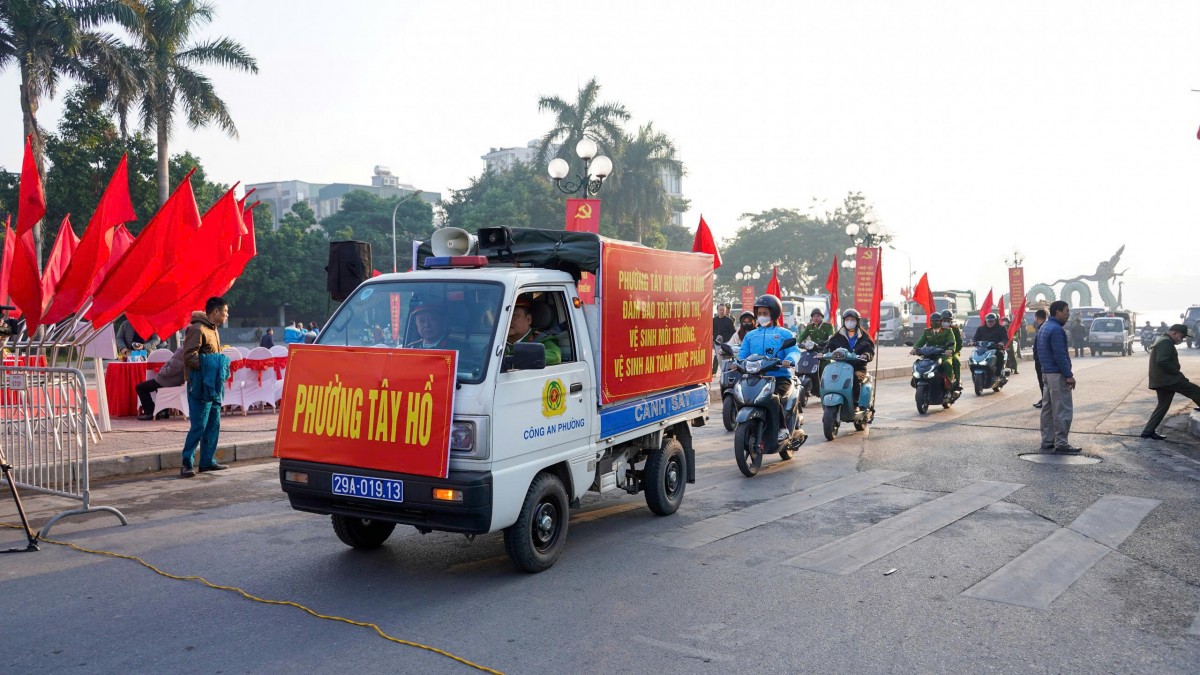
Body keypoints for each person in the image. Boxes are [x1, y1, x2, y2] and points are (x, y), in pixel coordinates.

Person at [737, 295, 801, 441]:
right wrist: (737, 362)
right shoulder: (750, 335)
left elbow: (794, 351)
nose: (762, 316)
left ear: (774, 313)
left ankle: (782, 428)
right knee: (742, 395)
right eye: (759, 313)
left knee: (774, 396)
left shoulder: (784, 333)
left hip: (779, 376)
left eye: (765, 313)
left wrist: (789, 360)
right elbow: (742, 354)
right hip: (756, 377)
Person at [180, 297, 231, 477]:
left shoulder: (213, 329)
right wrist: (211, 365)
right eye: (225, 312)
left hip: (213, 385)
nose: (227, 315)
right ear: (215, 312)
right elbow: (188, 356)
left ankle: (207, 461)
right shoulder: (197, 329)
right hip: (200, 385)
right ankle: (186, 463)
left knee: (213, 425)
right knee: (199, 426)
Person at [1140, 324, 1200, 440]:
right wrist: (1177, 373)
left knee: (1163, 405)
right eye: (1181, 336)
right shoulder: (1166, 342)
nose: (1182, 339)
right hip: (1169, 380)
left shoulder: (1163, 340)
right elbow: (1162, 361)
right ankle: (1148, 431)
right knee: (1196, 391)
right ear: (1174, 333)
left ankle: (1148, 431)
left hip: (1161, 380)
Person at [1036, 301, 1080, 453]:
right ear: (1058, 312)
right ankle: (1061, 443)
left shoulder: (1044, 327)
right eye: (1066, 311)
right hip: (1057, 374)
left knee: (1047, 409)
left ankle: (1047, 440)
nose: (1068, 314)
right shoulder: (1056, 330)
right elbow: (1060, 355)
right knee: (1062, 409)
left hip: (1046, 373)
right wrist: (1068, 375)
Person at [828, 308, 875, 409]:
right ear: (844, 321)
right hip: (839, 367)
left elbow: (870, 351)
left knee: (854, 378)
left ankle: (855, 403)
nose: (849, 322)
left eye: (852, 320)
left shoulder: (864, 337)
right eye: (847, 320)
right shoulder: (837, 336)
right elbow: (828, 347)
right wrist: (821, 353)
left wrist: (866, 355)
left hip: (858, 368)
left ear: (857, 321)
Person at [135, 344, 187, 421]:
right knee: (156, 387)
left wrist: (162, 371)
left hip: (168, 380)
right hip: (177, 380)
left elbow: (173, 369)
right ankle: (162, 412)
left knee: (140, 387)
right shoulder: (192, 350)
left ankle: (150, 412)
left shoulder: (181, 350)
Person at [506, 296, 561, 366]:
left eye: (514, 315)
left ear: (529, 319)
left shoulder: (539, 340)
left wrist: (520, 358)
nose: (508, 320)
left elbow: (555, 356)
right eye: (505, 316)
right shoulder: (497, 340)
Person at [913, 312, 956, 387]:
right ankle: (916, 381)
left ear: (941, 321)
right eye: (932, 321)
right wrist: (915, 349)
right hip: (929, 355)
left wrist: (950, 350)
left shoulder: (948, 331)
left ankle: (949, 384)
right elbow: (921, 341)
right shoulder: (927, 331)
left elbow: (952, 341)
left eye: (937, 321)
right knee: (918, 365)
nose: (934, 322)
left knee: (947, 364)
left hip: (943, 355)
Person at [971, 313, 1009, 379]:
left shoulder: (1001, 328)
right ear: (986, 321)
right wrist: (973, 342)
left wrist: (1002, 343)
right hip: (983, 348)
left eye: (992, 321)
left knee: (1000, 354)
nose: (990, 323)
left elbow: (1005, 338)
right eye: (988, 321)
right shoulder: (981, 329)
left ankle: (998, 373)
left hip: (996, 348)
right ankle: (974, 370)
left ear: (995, 321)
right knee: (973, 355)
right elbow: (975, 337)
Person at [712, 304, 736, 373]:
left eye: (723, 310)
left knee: (726, 359)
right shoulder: (714, 320)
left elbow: (733, 332)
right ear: (717, 310)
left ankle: (727, 372)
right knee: (719, 359)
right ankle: (724, 372)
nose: (722, 311)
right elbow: (711, 331)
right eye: (720, 310)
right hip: (717, 344)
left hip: (726, 343)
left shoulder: (729, 320)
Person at [944, 311, 964, 390]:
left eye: (948, 320)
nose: (946, 322)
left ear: (951, 321)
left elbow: (959, 344)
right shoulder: (938, 330)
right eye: (944, 320)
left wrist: (952, 351)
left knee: (955, 360)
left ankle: (957, 381)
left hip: (954, 351)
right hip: (941, 352)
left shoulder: (955, 329)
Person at [1032, 309, 1047, 408]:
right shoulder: (1044, 327)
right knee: (1043, 382)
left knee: (1042, 382)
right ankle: (1044, 399)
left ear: (1036, 318)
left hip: (1041, 360)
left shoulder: (1042, 328)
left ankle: (1045, 401)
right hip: (1042, 359)